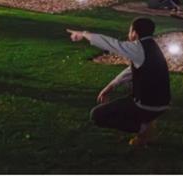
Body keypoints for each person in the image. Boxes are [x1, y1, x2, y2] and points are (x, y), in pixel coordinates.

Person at [67, 18, 171, 146]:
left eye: (130, 30)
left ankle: (143, 128)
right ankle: (146, 121)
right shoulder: (151, 46)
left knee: (97, 115)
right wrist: (110, 87)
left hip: (147, 105)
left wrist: (84, 34)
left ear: (134, 33)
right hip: (161, 103)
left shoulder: (139, 48)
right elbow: (130, 70)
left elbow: (113, 44)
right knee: (123, 102)